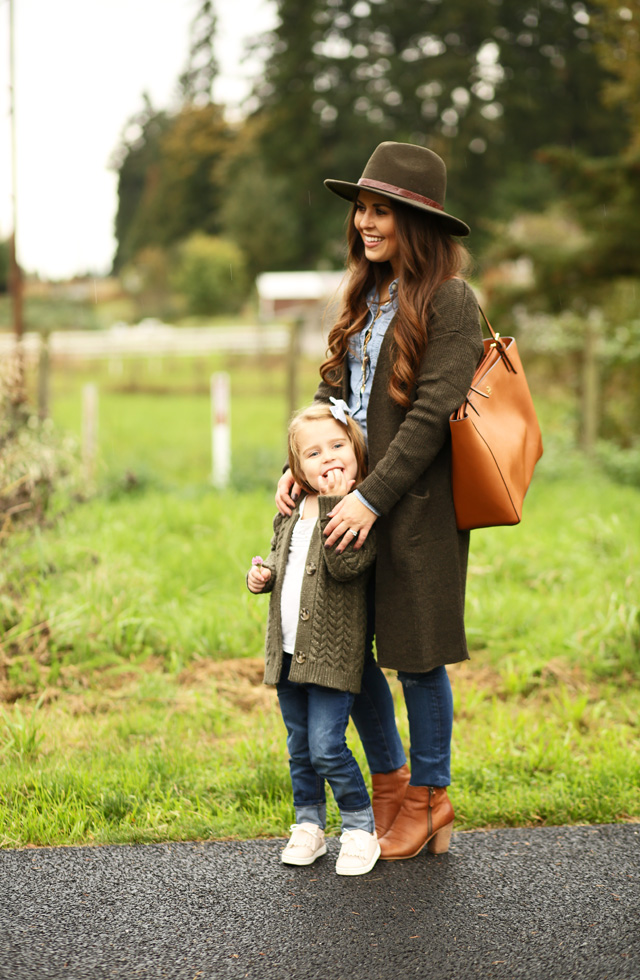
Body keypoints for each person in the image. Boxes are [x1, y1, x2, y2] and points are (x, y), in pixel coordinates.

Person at [276, 141, 484, 860]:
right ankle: (389, 788)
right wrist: (297, 467)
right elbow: (334, 396)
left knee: (417, 657)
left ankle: (430, 799)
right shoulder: (364, 295)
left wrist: (371, 496)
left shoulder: (452, 301)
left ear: (415, 221)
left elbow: (432, 415)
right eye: (362, 209)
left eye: (381, 211)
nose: (365, 222)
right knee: (348, 654)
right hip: (344, 504)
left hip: (413, 509)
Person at [248, 401, 380, 876]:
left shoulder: (356, 509)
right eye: (313, 453)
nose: (327, 458)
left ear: (356, 451)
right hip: (286, 654)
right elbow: (279, 560)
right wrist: (261, 575)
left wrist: (332, 504)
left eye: (338, 446)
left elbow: (347, 568)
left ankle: (361, 828)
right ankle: (309, 824)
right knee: (299, 747)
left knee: (327, 746)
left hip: (330, 656)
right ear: (296, 465)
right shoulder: (290, 508)